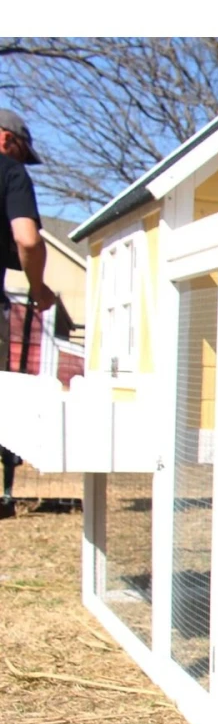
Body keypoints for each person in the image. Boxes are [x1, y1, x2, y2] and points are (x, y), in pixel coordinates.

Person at [1, 107, 58, 517]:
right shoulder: (10, 172)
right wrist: (38, 288)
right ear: (7, 140)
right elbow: (27, 239)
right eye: (21, 152)